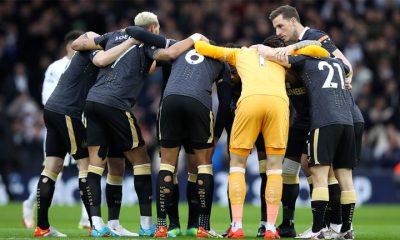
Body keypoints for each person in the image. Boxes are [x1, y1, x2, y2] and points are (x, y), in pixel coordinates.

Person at [71, 11, 203, 237]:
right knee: (141, 161)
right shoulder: (147, 44)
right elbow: (170, 53)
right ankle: (146, 224)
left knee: (97, 166)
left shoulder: (111, 37)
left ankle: (100, 225)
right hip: (116, 104)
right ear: (153, 29)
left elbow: (76, 44)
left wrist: (95, 39)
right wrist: (195, 38)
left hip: (92, 102)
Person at [194, 37, 324, 239]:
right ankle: (270, 228)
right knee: (275, 168)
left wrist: (196, 39)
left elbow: (203, 48)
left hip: (250, 102)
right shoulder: (282, 57)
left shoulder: (241, 53)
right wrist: (289, 49)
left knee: (237, 165)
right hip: (278, 105)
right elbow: (319, 50)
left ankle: (236, 225)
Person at [267, 5, 364, 237]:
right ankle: (329, 226)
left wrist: (347, 77)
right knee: (306, 166)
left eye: (281, 25)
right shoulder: (297, 54)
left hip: (333, 114)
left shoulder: (314, 38)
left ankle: (331, 225)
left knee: (323, 172)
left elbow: (346, 65)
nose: (278, 31)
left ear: (293, 21)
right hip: (317, 117)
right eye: (275, 28)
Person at [33, 31, 139, 238]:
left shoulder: (82, 52)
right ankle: (95, 225)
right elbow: (101, 58)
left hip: (53, 110)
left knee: (52, 167)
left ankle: (42, 227)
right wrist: (130, 42)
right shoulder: (92, 51)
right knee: (86, 166)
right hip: (68, 112)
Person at [256, 45, 357, 240]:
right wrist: (349, 80)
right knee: (346, 180)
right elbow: (348, 67)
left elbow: (272, 54)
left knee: (319, 176)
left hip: (323, 122)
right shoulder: (336, 63)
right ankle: (346, 229)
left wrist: (284, 48)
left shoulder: (304, 62)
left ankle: (319, 228)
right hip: (346, 122)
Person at [22, 30, 90, 231]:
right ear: (70, 46)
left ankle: (85, 218)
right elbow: (47, 97)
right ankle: (29, 204)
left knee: (70, 167)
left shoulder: (85, 65)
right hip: (62, 120)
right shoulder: (56, 67)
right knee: (61, 169)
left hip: (78, 120)